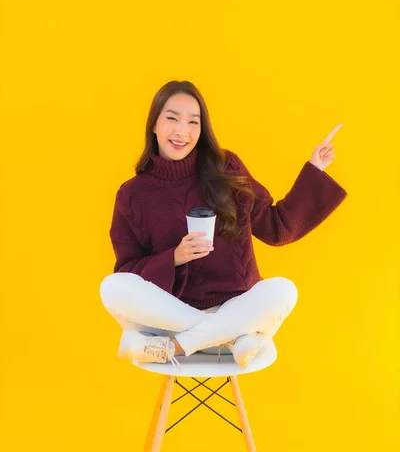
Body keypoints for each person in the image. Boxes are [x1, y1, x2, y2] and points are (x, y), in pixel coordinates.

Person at [99, 80, 348, 373]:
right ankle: (230, 339)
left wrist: (314, 169)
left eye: (194, 122)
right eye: (172, 118)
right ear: (154, 124)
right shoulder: (132, 194)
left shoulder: (226, 167)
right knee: (112, 287)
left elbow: (277, 227)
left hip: (236, 306)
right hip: (173, 314)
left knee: (283, 290)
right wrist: (173, 258)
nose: (182, 131)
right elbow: (128, 270)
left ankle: (178, 346)